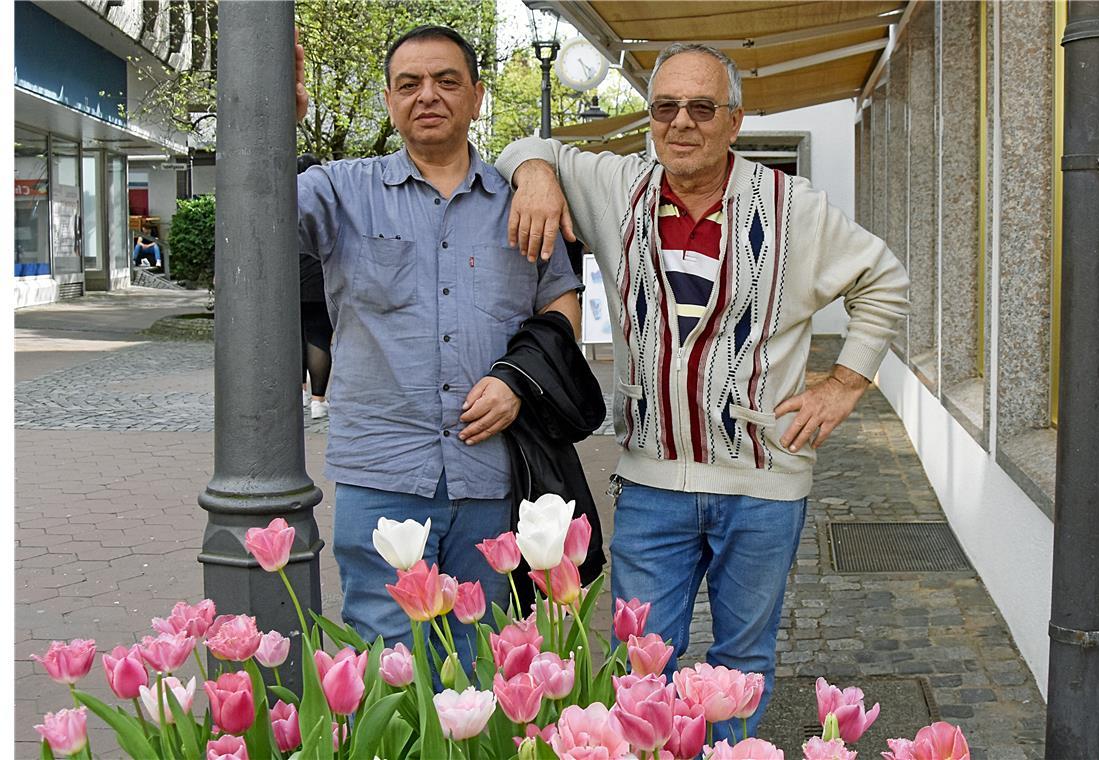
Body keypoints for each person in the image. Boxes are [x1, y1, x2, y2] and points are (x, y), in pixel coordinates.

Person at [496, 43, 910, 740]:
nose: (681, 122)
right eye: (665, 107)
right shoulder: (616, 187)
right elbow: (523, 142)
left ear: (734, 120)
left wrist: (844, 384)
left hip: (764, 485)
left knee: (742, 661)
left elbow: (885, 281)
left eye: (701, 107)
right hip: (652, 487)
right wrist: (537, 172)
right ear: (650, 118)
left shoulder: (792, 207)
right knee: (641, 669)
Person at [294, 26, 582, 670]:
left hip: (491, 474)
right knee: (388, 663)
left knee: (484, 662)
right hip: (383, 473)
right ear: (390, 101)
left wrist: (518, 379)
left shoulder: (522, 200)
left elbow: (562, 299)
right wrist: (273, 119)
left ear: (478, 96)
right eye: (409, 84)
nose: (429, 95)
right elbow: (255, 221)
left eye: (447, 81)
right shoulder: (339, 190)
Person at [297, 153, 333, 420]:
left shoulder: (284, 199)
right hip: (319, 282)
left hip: (289, 282)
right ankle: (318, 401)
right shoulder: (326, 200)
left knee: (294, 339)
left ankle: (298, 393)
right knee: (318, 338)